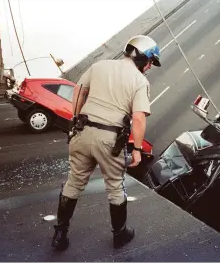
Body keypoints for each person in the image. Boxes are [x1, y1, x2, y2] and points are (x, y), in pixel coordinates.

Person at [51, 35, 161, 251]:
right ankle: (119, 235)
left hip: (82, 132)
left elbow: (78, 91)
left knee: (73, 183)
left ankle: (59, 235)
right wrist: (137, 150)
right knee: (115, 187)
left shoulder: (99, 65)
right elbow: (138, 118)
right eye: (150, 62)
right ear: (142, 57)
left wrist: (76, 121)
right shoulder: (140, 81)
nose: (149, 67)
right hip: (109, 140)